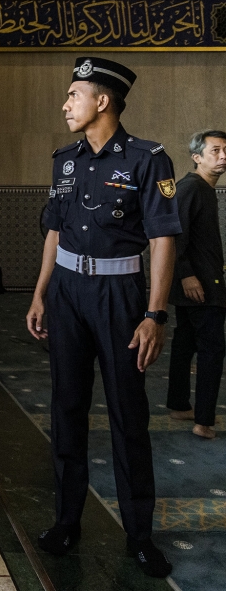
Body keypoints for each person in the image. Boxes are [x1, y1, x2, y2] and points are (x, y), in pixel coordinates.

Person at [25, 57, 178, 578]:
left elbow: (162, 239)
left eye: (74, 95)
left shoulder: (147, 159)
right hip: (66, 291)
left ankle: (139, 534)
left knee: (126, 414)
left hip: (119, 295)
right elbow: (54, 230)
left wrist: (154, 313)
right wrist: (41, 293)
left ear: (102, 101)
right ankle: (67, 521)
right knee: (66, 407)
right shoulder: (64, 160)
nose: (66, 104)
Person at [167, 129, 226, 439]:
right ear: (197, 157)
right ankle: (203, 421)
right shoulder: (191, 188)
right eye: (215, 151)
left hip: (201, 283)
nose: (223, 156)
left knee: (185, 343)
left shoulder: (201, 188)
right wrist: (187, 274)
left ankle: (179, 405)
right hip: (201, 286)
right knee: (212, 350)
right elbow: (175, 235)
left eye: (225, 151)